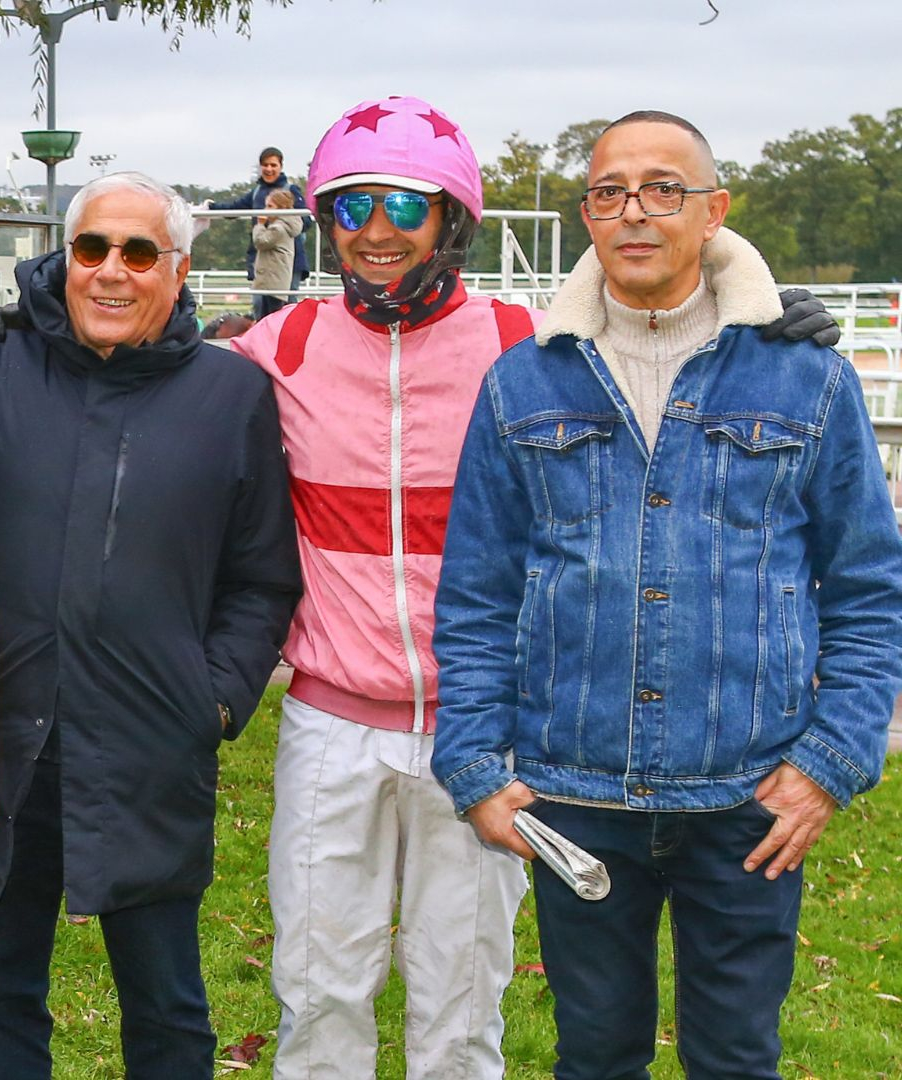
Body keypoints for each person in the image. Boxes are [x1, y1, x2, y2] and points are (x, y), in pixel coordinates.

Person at [220, 97, 840, 1079]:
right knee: (316, 989)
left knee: (462, 1001)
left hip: (492, 733)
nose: (375, 233)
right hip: (331, 730)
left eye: (402, 206)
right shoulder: (279, 346)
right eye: (349, 209)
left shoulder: (532, 343)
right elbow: (134, 369)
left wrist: (767, 316)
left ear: (451, 220)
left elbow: (661, 340)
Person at [432, 110, 902, 1079]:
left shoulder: (806, 378)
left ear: (713, 210)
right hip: (573, 793)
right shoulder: (523, 384)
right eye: (609, 192)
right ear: (589, 215)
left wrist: (833, 759)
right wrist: (475, 760)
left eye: (662, 189)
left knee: (736, 1057)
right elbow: (478, 590)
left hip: (749, 796)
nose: (634, 213)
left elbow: (867, 589)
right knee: (595, 1055)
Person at [0, 170, 302, 1079]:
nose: (111, 271)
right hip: (7, 744)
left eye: (138, 253)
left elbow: (263, 581)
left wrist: (210, 702)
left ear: (176, 269)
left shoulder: (231, 397)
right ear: (65, 259)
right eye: (92, 248)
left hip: (152, 747)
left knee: (168, 1007)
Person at [209, 146, 309, 316]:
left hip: (287, 261)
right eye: (265, 165)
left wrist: (276, 223)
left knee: (286, 309)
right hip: (262, 257)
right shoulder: (256, 193)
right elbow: (235, 208)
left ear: (280, 166)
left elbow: (304, 220)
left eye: (273, 165)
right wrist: (211, 208)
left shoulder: (291, 191)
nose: (269, 169)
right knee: (259, 305)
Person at [250, 187, 302, 318]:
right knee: (273, 315)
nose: (265, 210)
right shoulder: (285, 226)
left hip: (272, 282)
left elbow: (260, 242)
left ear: (281, 208)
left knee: (268, 317)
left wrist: (260, 225)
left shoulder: (278, 228)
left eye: (270, 206)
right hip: (275, 280)